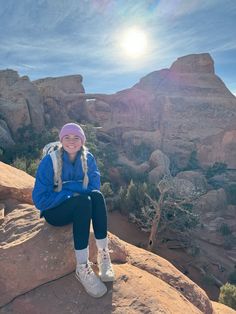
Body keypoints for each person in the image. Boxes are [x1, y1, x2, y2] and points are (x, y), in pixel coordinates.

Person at [32, 122, 115, 298]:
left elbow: (94, 186)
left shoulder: (88, 158)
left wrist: (69, 189)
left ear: (82, 140)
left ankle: (103, 254)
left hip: (76, 207)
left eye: (76, 137)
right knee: (83, 201)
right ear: (61, 140)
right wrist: (70, 192)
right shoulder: (50, 161)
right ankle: (82, 267)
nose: (71, 141)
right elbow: (39, 200)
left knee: (97, 197)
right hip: (54, 211)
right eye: (67, 137)